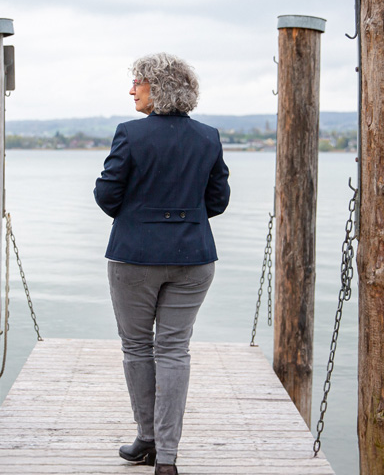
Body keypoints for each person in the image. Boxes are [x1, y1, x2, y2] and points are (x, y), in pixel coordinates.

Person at [93, 52, 230, 475]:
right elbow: (218, 201)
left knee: (137, 347)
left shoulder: (130, 135)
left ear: (158, 88)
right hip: (193, 257)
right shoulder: (208, 137)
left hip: (134, 256)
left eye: (138, 81)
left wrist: (139, 213)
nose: (132, 89)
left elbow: (106, 196)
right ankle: (166, 458)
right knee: (174, 350)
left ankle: (146, 440)